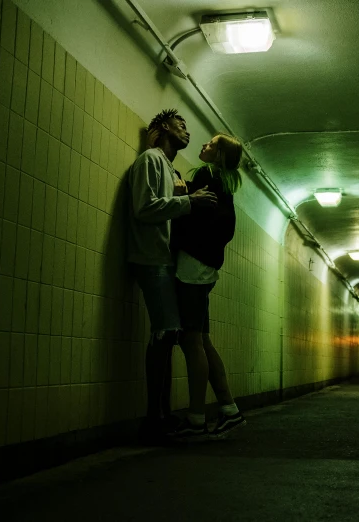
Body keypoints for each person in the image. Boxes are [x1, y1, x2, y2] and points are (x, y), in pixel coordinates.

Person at [127, 108, 218, 445]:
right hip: (151, 258)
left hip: (165, 259)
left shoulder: (172, 169)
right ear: (162, 128)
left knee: (170, 333)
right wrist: (188, 203)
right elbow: (145, 207)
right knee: (165, 332)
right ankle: (154, 418)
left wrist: (184, 199)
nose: (188, 132)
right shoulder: (150, 159)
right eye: (181, 125)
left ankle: (161, 414)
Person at [170, 133, 247, 440]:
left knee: (191, 341)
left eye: (212, 144)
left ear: (219, 156)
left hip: (193, 264)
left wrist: (182, 196)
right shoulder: (225, 182)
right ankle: (229, 411)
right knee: (203, 339)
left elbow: (194, 216)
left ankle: (196, 418)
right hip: (207, 266)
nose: (204, 145)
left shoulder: (207, 174)